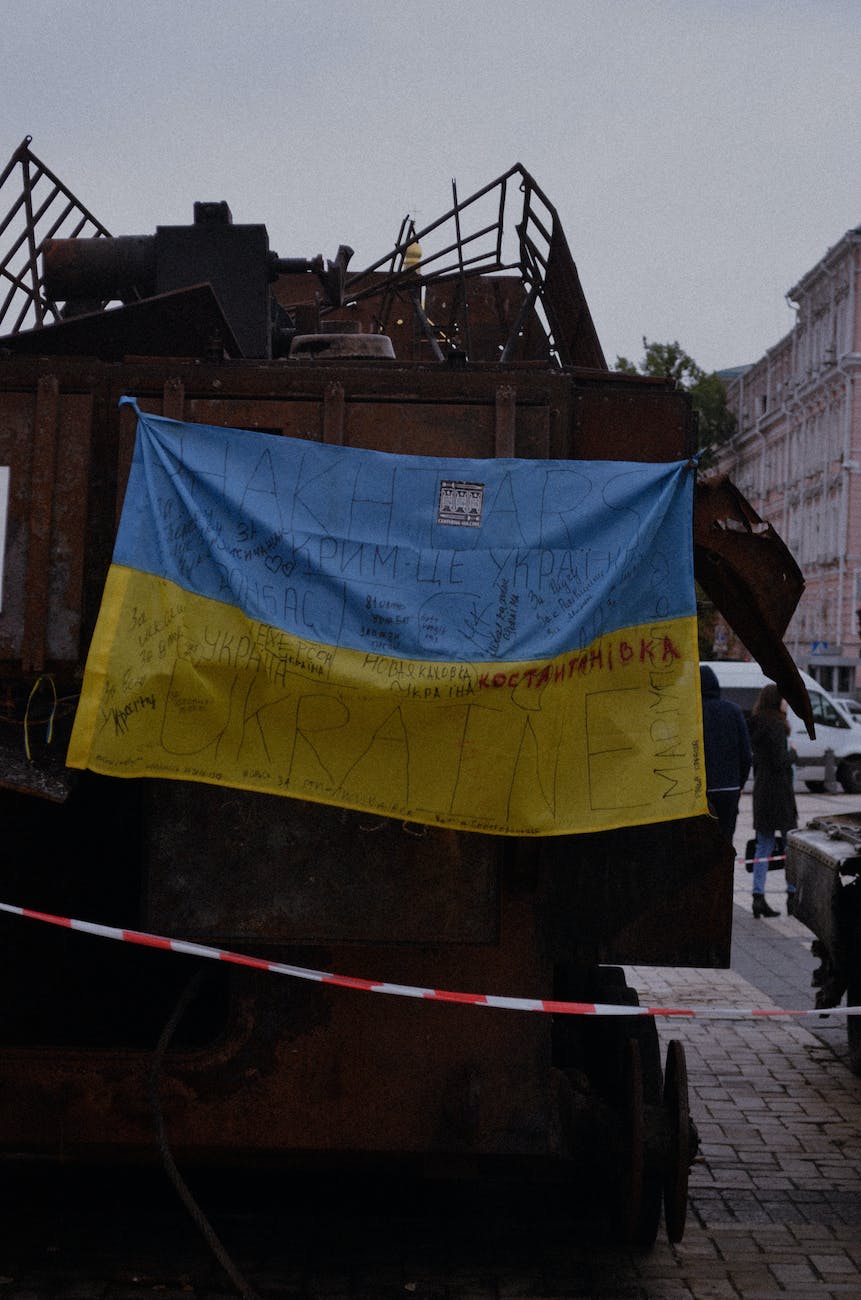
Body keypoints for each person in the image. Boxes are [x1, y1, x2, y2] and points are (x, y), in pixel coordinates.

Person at [748, 683, 798, 918]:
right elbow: (780, 761)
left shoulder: (757, 724)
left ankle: (758, 897)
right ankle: (792, 895)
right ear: (776, 700)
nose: (786, 703)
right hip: (780, 794)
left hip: (762, 791)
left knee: (763, 845)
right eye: (784, 699)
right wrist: (793, 754)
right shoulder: (777, 726)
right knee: (790, 845)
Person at [699, 664, 752, 846]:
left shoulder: (692, 712)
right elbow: (745, 753)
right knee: (725, 842)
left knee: (702, 844)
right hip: (729, 789)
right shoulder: (733, 711)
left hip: (701, 791)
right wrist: (740, 784)